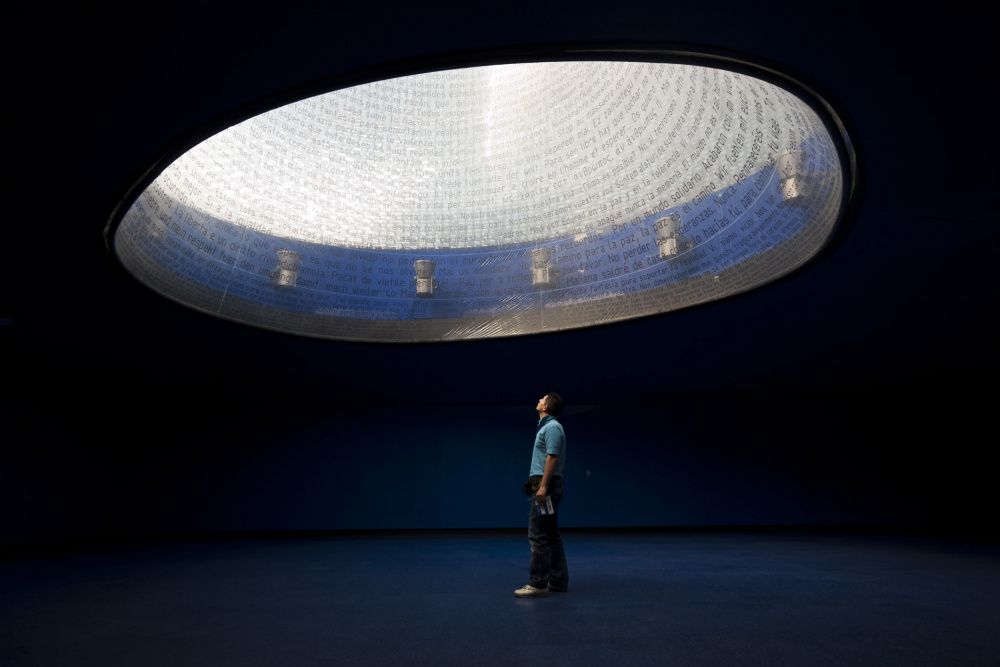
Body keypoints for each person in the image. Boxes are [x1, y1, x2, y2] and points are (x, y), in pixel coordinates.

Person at [515, 392, 568, 598]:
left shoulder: (553, 427)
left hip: (546, 485)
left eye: (542, 399)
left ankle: (538, 583)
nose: (538, 400)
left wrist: (543, 487)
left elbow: (552, 458)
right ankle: (558, 581)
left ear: (545, 407)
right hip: (546, 484)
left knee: (537, 534)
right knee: (550, 534)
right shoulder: (547, 427)